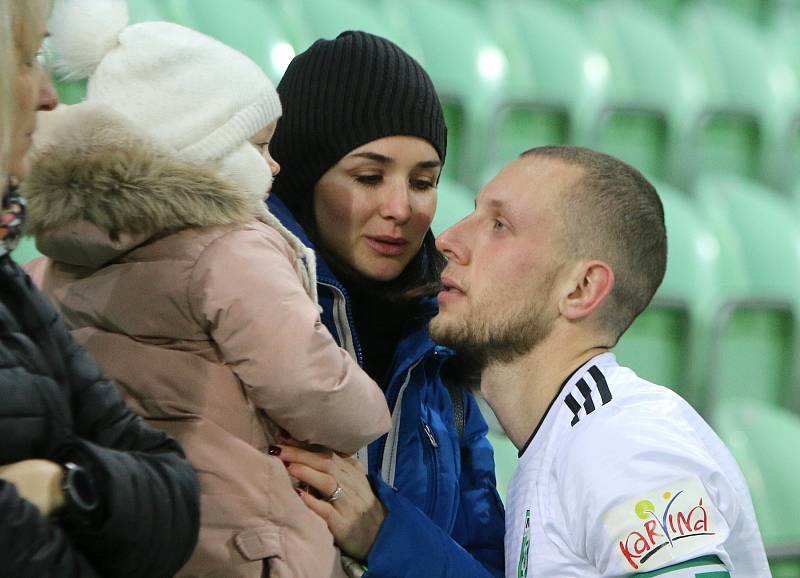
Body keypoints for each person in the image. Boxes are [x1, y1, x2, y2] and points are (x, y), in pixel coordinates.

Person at [24, 2, 391, 576]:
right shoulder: (230, 248)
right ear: (202, 148)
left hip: (137, 529)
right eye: (259, 146)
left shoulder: (54, 255)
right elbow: (305, 378)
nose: (273, 170)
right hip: (249, 540)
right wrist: (371, 412)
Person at [430, 145, 771, 577]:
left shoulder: (622, 443)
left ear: (581, 289)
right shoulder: (570, 439)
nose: (449, 239)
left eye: (499, 225)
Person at [267, 31, 505, 577]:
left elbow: (484, 560)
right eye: (369, 177)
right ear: (304, 178)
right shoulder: (235, 313)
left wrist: (384, 533)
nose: (401, 207)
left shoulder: (442, 341)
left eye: (424, 182)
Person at [0, 0, 201, 576]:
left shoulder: (12, 281)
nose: (48, 94)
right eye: (27, 58)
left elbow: (173, 487)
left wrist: (62, 484)